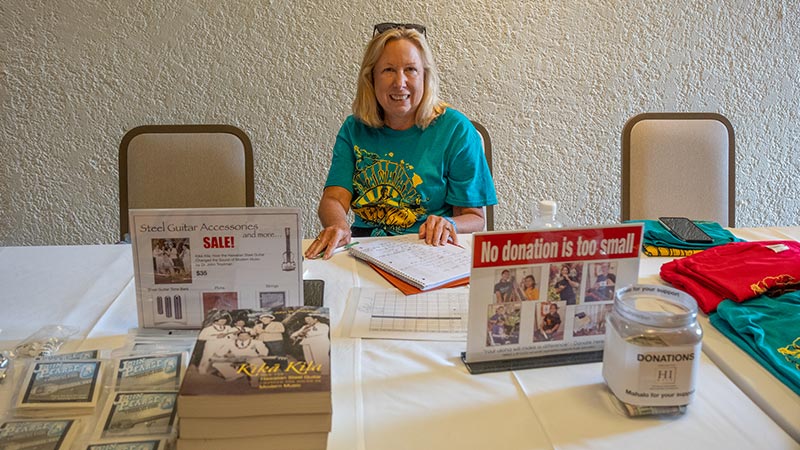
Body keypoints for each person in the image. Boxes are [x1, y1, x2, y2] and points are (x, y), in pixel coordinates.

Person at [305, 23, 497, 260]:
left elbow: (475, 218)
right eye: (388, 70)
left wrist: (449, 224)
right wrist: (338, 225)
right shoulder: (354, 128)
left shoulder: (456, 130)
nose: (400, 82)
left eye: (410, 70)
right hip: (366, 250)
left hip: (430, 250)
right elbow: (334, 198)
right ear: (371, 78)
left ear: (425, 76)